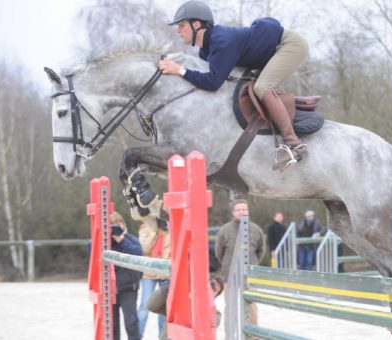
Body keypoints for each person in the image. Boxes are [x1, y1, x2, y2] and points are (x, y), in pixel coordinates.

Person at [159, 0, 310, 171]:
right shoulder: (206, 50)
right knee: (251, 90)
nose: (178, 31)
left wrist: (179, 70)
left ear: (197, 24)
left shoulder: (221, 40)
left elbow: (212, 82)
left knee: (261, 88)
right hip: (270, 53)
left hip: (290, 45)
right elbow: (209, 82)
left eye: (182, 25)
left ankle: (294, 145)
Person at [215, 199, 264, 332]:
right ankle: (230, 334)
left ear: (248, 211)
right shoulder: (225, 230)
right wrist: (228, 265)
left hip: (250, 276)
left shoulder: (256, 229)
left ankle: (252, 336)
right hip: (229, 275)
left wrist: (252, 264)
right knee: (230, 306)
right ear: (233, 213)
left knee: (252, 305)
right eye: (238, 209)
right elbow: (219, 252)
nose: (241, 211)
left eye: (244, 209)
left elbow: (261, 251)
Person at [137, 198, 170, 339]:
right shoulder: (145, 228)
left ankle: (162, 337)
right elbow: (145, 247)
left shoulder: (171, 228)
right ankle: (137, 336)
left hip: (165, 272)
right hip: (149, 273)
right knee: (145, 306)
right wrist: (154, 231)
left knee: (163, 309)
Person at [110, 211, 143, 340]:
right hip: (110, 289)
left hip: (129, 288)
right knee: (112, 325)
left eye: (118, 224)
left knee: (131, 323)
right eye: (112, 225)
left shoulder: (129, 239)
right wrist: (105, 237)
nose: (116, 228)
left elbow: (138, 253)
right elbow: (91, 248)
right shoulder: (104, 242)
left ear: (123, 224)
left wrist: (121, 239)